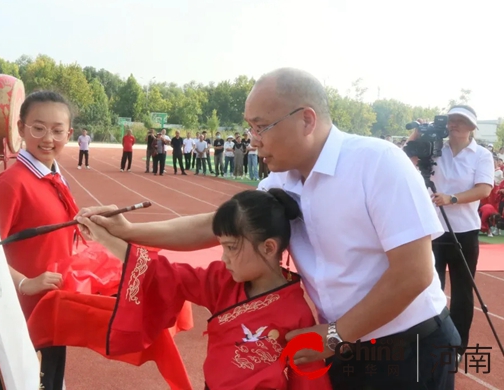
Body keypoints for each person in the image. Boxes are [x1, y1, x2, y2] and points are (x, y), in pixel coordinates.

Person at [77, 67, 461, 389]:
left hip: (405, 349)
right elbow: (213, 226)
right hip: (341, 344)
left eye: (261, 127)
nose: (253, 139)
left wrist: (334, 335)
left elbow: (413, 273)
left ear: (306, 119)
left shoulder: (377, 163)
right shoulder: (281, 182)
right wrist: (127, 231)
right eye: (251, 128)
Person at [76, 189, 333, 390]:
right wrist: (106, 239)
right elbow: (165, 274)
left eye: (231, 247)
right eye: (222, 246)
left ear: (268, 247)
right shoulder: (222, 281)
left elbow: (309, 382)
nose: (224, 258)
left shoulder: (297, 314)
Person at [0, 91, 78, 390]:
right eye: (38, 128)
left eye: (57, 130)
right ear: (20, 128)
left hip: (53, 311)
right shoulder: (12, 184)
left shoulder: (53, 176)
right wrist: (25, 283)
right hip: (24, 318)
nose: (48, 138)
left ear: (70, 133)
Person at [408, 105, 494, 361]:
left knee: (462, 292)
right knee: (430, 287)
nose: (453, 124)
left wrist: (452, 198)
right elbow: (404, 160)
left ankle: (457, 348)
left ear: (472, 127)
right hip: (433, 231)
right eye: (451, 119)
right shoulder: (435, 150)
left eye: (460, 120)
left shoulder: (481, 155)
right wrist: (416, 135)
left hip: (464, 232)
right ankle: (431, 341)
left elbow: (484, 189)